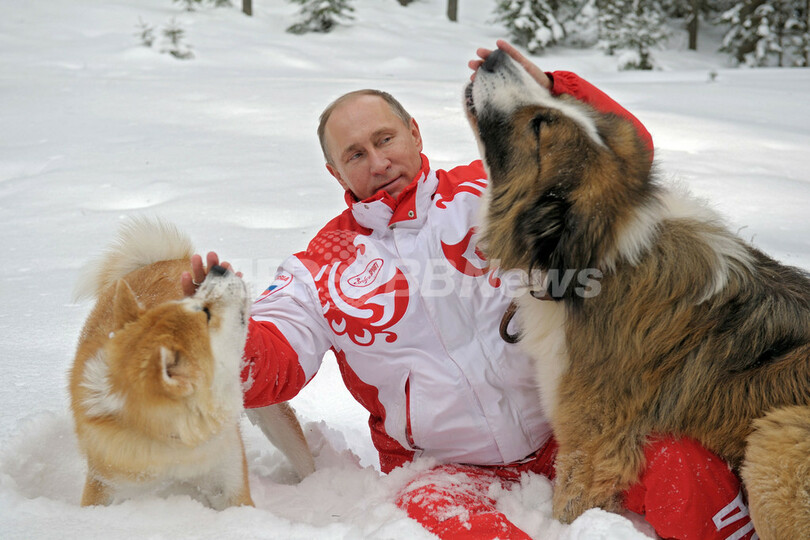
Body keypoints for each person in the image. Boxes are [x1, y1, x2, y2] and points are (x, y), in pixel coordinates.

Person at [182, 41, 757, 540]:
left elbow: (619, 165)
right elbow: (273, 363)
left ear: (415, 132)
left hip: (570, 432)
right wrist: (214, 337)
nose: (378, 162)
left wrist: (553, 90)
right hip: (440, 469)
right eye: (355, 154)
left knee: (686, 468)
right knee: (455, 525)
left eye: (385, 139)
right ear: (336, 173)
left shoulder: (494, 191)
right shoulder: (318, 268)